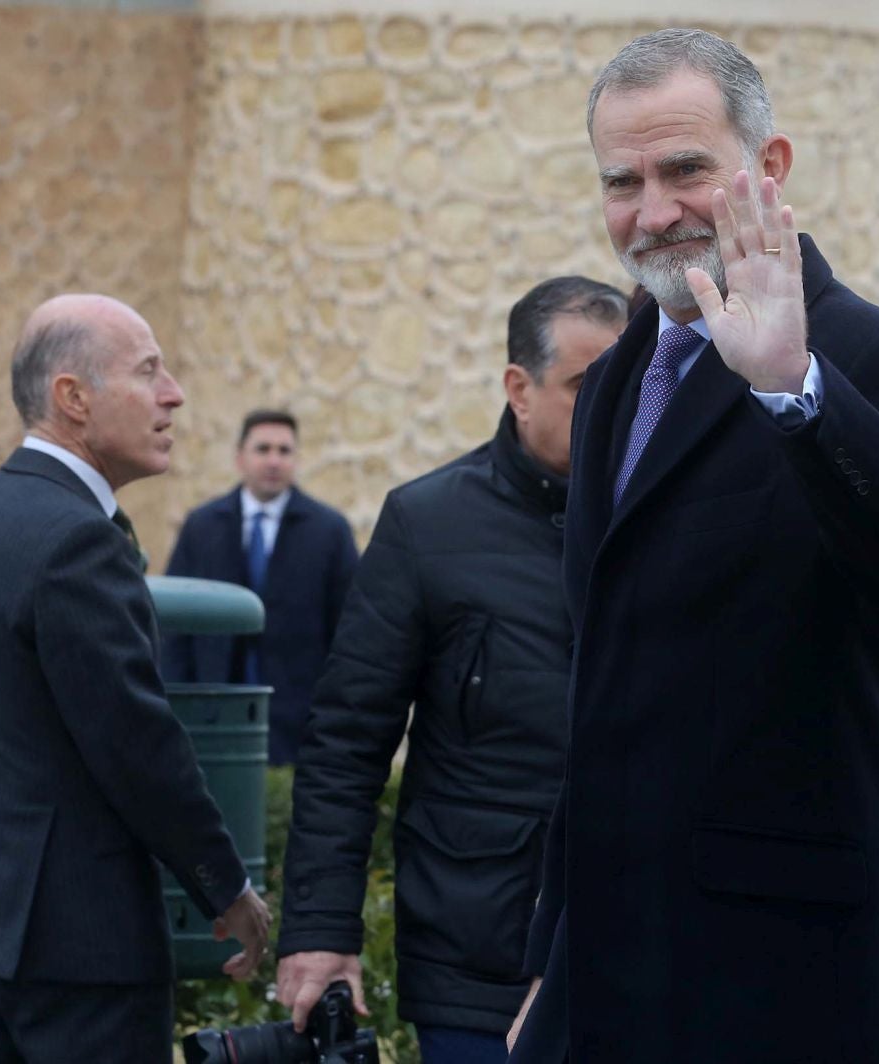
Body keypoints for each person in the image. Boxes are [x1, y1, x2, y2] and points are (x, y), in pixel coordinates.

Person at [506, 28, 879, 1064]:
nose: (653, 211)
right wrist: (551, 952)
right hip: (607, 972)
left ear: (769, 168)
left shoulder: (872, 357)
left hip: (789, 979)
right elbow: (601, 684)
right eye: (622, 181)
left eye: (685, 170)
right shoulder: (620, 374)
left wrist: (795, 392)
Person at [0, 294, 270, 1061]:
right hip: (80, 955)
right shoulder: (79, 539)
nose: (174, 393)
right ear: (72, 398)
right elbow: (135, 744)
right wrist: (229, 887)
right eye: (148, 372)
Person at [274, 277, 625, 1064]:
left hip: (642, 947)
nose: (614, 409)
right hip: (476, 952)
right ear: (518, 389)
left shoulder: (669, 521)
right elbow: (345, 743)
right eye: (584, 388)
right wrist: (321, 932)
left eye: (629, 385)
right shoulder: (426, 525)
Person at [162, 409, 359, 764]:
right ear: (240, 457)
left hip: (298, 720)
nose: (274, 461)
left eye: (284, 451)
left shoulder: (329, 531)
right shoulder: (202, 526)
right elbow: (174, 630)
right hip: (211, 714)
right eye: (263, 449)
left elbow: (348, 631)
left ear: (296, 459)